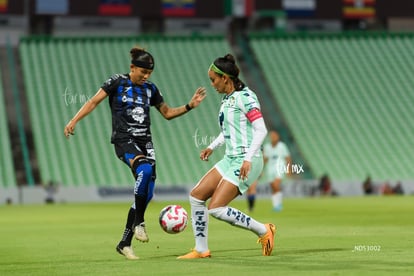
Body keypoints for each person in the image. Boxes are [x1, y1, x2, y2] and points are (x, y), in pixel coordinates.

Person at [64, 46, 206, 260]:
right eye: (143, 72)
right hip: (124, 140)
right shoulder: (117, 82)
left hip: (146, 143)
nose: (146, 76)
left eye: (149, 73)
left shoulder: (151, 89)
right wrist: (74, 120)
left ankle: (124, 243)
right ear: (132, 67)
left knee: (147, 194)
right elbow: (94, 101)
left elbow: (167, 113)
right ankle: (139, 222)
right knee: (145, 170)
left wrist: (190, 106)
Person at [177, 54, 275, 259]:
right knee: (196, 196)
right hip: (231, 158)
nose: (211, 84)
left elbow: (261, 129)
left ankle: (264, 230)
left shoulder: (246, 98)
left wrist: (248, 159)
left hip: (248, 160)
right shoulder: (228, 99)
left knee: (216, 208)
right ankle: (201, 249)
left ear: (225, 78)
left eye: (213, 79)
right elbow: (229, 130)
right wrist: (212, 147)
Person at [262, 130, 291, 211]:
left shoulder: (282, 146)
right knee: (273, 187)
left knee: (276, 184)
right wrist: (261, 170)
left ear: (278, 137)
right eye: (272, 136)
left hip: (280, 166)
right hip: (269, 168)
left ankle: (279, 204)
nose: (273, 138)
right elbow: (265, 159)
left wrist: (288, 169)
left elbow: (288, 158)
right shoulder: (267, 147)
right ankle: (276, 205)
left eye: (275, 136)